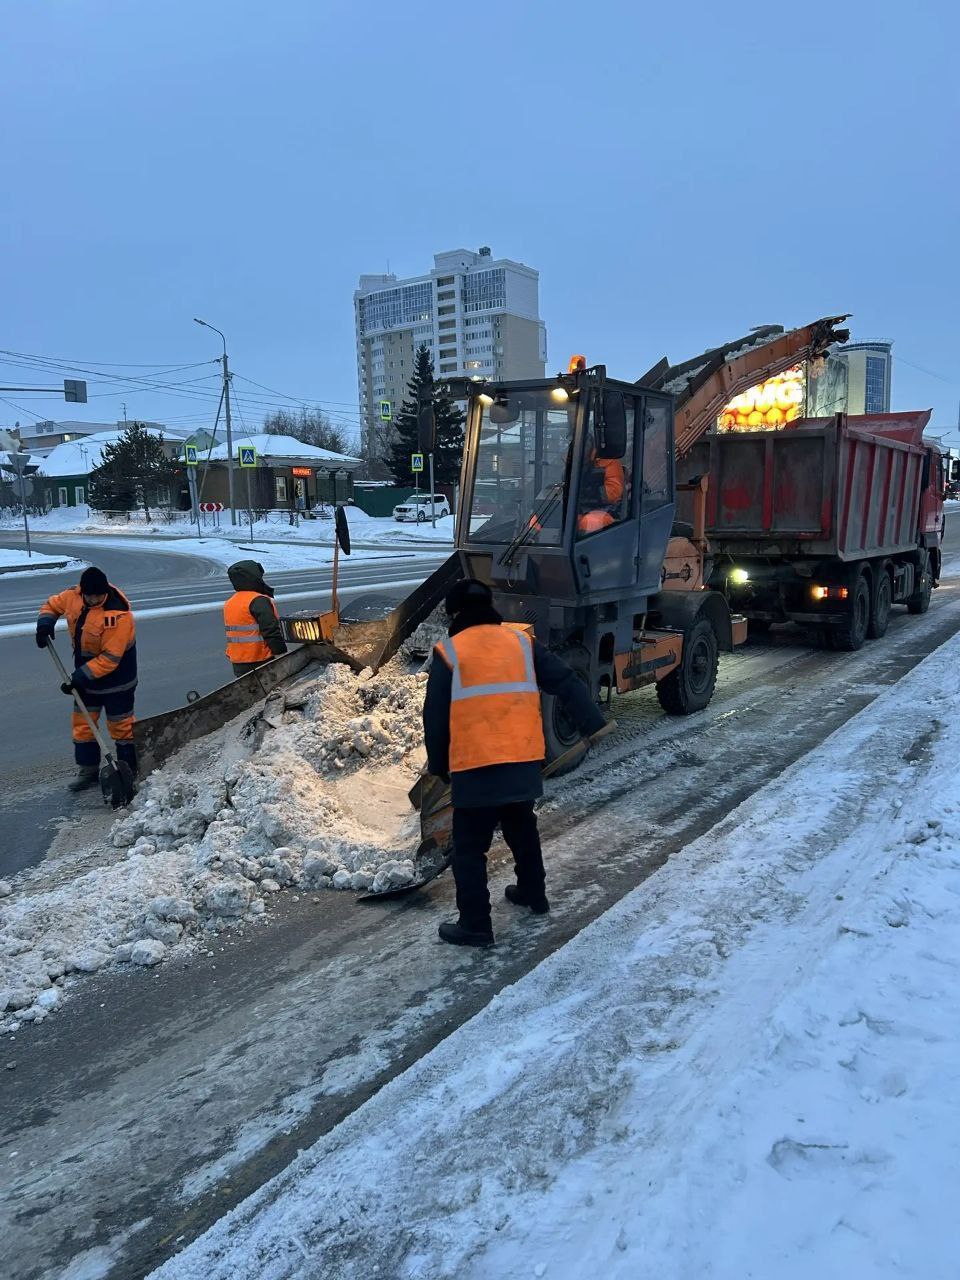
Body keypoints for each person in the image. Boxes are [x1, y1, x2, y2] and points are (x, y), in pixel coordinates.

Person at [423, 578, 606, 948]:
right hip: (522, 761)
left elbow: (436, 718)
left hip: (475, 769)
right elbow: (565, 681)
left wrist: (440, 766)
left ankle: (475, 925)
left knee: (470, 848)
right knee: (522, 828)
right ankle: (533, 894)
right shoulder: (522, 643)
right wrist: (592, 723)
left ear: (454, 613)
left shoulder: (449, 652)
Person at [36, 566, 138, 792]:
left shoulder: (118, 616)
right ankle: (88, 770)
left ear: (105, 592)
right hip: (85, 677)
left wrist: (78, 678)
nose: (93, 600)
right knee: (83, 726)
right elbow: (52, 605)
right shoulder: (73, 596)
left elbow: (110, 659)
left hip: (117, 680)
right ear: (83, 592)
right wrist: (45, 623)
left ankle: (128, 769)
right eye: (89, 596)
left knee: (122, 727)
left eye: (98, 596)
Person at [224, 560, 287, 676]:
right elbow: (270, 630)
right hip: (259, 660)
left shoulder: (230, 603)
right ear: (254, 578)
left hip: (238, 663)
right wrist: (281, 653)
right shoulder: (258, 600)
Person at [577, 443, 625, 536]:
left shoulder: (609, 462)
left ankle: (585, 550)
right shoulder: (572, 462)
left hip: (602, 509)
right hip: (575, 509)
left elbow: (614, 491)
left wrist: (593, 491)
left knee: (591, 522)